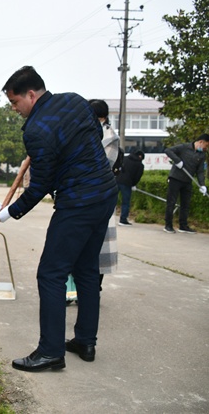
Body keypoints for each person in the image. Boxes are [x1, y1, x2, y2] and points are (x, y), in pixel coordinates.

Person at [0, 66, 118, 372]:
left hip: (78, 203)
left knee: (51, 273)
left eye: (15, 102)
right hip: (105, 194)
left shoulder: (36, 130)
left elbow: (40, 185)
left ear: (31, 95)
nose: (14, 109)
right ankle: (85, 341)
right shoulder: (75, 100)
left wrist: (11, 211)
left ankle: (50, 352)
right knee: (87, 270)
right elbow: (94, 135)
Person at [88, 99, 120, 290]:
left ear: (101, 118)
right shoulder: (85, 133)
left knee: (100, 245)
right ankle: (78, 288)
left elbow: (103, 165)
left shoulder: (110, 138)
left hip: (101, 195)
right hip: (83, 196)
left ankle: (95, 287)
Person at [163, 133, 209, 234]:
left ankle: (183, 226)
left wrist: (202, 184)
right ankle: (168, 225)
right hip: (175, 178)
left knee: (186, 204)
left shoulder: (202, 155)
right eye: (206, 145)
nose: (206, 148)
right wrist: (177, 161)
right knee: (171, 202)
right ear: (201, 142)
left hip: (188, 181)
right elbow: (168, 150)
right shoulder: (184, 147)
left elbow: (200, 171)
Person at [116, 150, 145, 226]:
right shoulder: (140, 165)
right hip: (127, 184)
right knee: (125, 202)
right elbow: (137, 177)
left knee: (111, 200)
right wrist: (133, 185)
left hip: (116, 181)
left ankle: (105, 218)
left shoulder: (124, 158)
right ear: (140, 156)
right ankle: (123, 220)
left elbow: (116, 167)